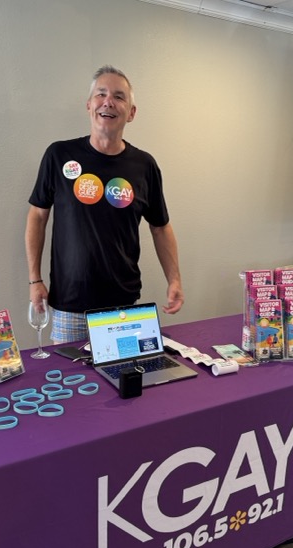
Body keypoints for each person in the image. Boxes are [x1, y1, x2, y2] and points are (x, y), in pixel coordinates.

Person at [25, 64, 184, 344]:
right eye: (101, 94)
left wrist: (174, 279)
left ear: (131, 113)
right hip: (69, 305)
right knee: (68, 374)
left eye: (119, 97)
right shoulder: (59, 155)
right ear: (89, 105)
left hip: (122, 305)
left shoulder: (144, 166)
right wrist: (35, 280)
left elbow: (161, 227)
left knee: (125, 371)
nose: (108, 102)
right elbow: (38, 216)